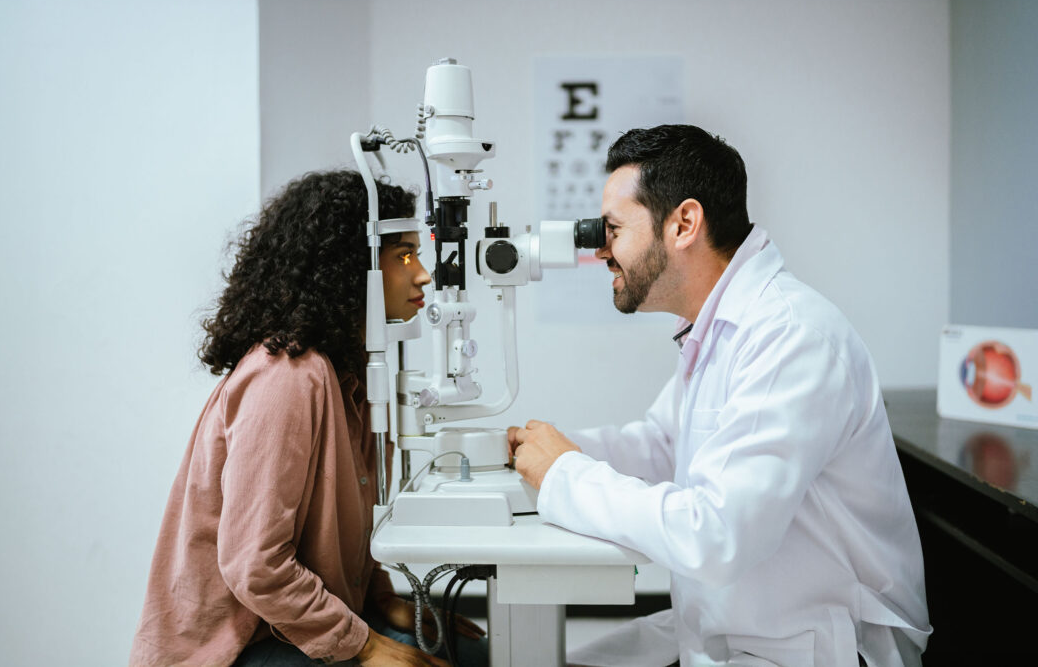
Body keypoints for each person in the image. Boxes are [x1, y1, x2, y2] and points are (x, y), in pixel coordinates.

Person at [509, 125, 932, 667]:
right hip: (741, 626)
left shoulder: (789, 335)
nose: (600, 250)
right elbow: (665, 445)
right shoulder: (722, 327)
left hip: (818, 647)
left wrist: (564, 473)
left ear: (684, 223)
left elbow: (717, 535)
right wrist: (548, 454)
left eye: (612, 229)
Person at [130, 171, 485, 666]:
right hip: (239, 645)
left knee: (471, 648)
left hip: (292, 622)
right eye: (404, 256)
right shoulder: (290, 377)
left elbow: (331, 537)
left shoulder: (350, 375)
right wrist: (365, 645)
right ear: (350, 267)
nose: (423, 274)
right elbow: (256, 565)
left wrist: (384, 601)